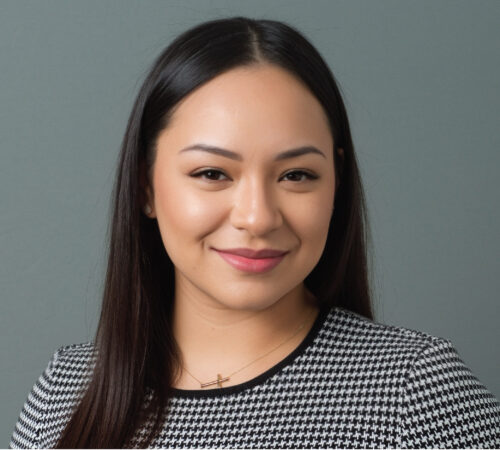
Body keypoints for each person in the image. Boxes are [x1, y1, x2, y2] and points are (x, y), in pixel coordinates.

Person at [9, 16, 500, 449]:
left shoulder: (411, 390)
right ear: (146, 188)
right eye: (212, 174)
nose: (258, 217)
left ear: (337, 184)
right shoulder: (67, 389)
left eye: (297, 175)